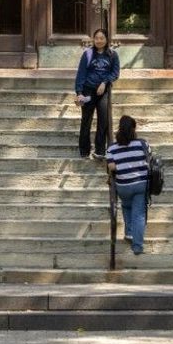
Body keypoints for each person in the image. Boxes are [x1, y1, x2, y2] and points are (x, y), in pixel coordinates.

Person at [105, 115, 150, 256]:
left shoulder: (111, 148)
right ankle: (137, 246)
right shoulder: (142, 144)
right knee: (139, 215)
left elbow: (111, 167)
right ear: (134, 129)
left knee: (126, 206)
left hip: (123, 186)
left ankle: (129, 232)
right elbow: (150, 160)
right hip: (141, 184)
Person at [74, 28, 120, 160]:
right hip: (88, 91)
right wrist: (79, 92)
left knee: (103, 121)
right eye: (97, 38)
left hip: (103, 92)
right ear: (94, 40)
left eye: (102, 38)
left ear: (107, 40)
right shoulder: (88, 54)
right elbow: (81, 74)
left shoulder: (112, 55)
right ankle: (84, 150)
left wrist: (105, 82)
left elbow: (115, 73)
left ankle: (100, 150)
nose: (99, 41)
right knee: (86, 120)